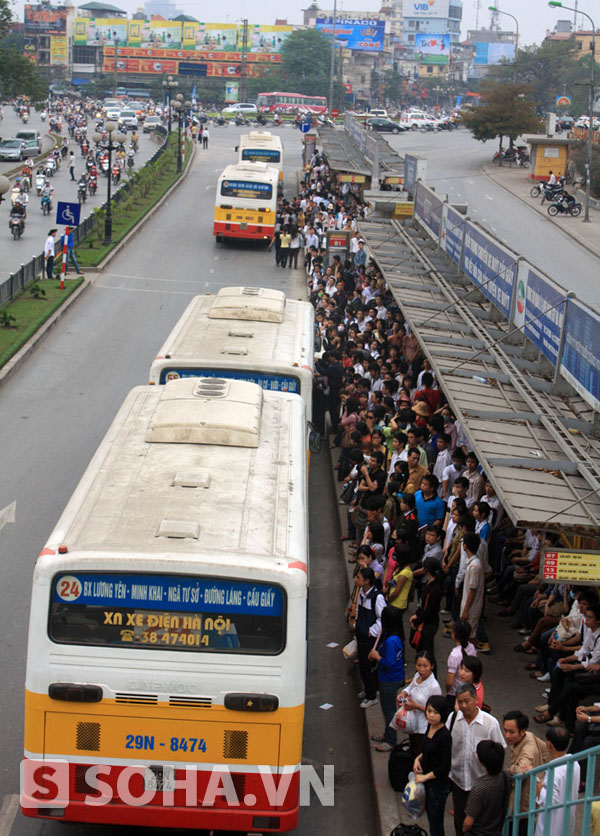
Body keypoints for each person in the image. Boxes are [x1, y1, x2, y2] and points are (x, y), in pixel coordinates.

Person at [447, 683, 506, 836]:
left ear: (475, 699)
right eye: (460, 702)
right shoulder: (453, 719)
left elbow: (499, 754)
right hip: (459, 783)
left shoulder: (490, 723)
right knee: (460, 824)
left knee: (481, 826)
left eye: (467, 701)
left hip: (482, 786)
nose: (464, 705)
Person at [503, 711, 548, 835]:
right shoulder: (529, 735)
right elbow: (545, 751)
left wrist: (509, 770)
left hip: (523, 801)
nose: (507, 735)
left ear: (522, 731)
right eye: (505, 730)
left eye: (511, 732)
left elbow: (519, 770)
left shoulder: (528, 749)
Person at [413, 694, 452, 836]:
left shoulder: (444, 736)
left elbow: (444, 766)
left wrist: (425, 778)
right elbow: (428, 748)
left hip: (437, 786)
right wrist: (418, 759)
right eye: (429, 711)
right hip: (428, 783)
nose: (431, 715)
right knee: (431, 819)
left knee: (436, 824)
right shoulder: (430, 727)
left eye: (436, 712)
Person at [368, 606, 405, 752]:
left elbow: (388, 662)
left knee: (389, 710)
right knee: (388, 709)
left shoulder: (390, 641)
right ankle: (388, 733)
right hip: (394, 677)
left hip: (389, 679)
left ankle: (391, 741)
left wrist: (377, 656)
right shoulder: (397, 637)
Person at [535, 726, 580, 836]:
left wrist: (536, 782)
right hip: (566, 822)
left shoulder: (554, 771)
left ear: (549, 744)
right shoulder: (575, 763)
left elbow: (549, 801)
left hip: (550, 827)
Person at [397, 649, 442, 757]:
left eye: (425, 666)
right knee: (413, 749)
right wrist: (403, 693)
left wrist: (415, 706)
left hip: (424, 727)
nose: (421, 669)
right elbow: (410, 687)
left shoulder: (434, 686)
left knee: (420, 753)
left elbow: (437, 710)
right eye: (419, 665)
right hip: (413, 723)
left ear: (432, 666)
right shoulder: (417, 676)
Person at [462, 740, 511, 835]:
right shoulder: (506, 777)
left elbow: (468, 821)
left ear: (481, 761)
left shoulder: (479, 789)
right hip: (496, 831)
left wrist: (464, 829)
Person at [354, 566, 385, 709]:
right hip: (361, 635)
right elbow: (359, 609)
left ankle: (371, 696)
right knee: (362, 665)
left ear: (367, 581)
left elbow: (382, 620)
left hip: (369, 639)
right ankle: (368, 689)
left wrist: (370, 632)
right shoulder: (361, 592)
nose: (357, 580)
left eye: (359, 578)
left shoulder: (377, 598)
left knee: (368, 667)